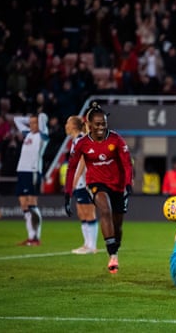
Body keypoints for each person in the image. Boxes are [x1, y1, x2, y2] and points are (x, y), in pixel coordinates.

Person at [64, 103, 133, 274]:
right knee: (105, 209)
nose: (101, 127)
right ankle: (111, 255)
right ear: (88, 124)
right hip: (95, 183)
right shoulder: (82, 144)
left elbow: (126, 163)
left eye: (103, 123)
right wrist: (67, 193)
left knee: (118, 226)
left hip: (117, 185)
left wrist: (128, 184)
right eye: (97, 124)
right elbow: (71, 168)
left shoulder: (116, 139)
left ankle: (115, 250)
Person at [64, 115, 98, 254]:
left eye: (67, 122)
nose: (66, 125)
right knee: (81, 212)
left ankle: (92, 246)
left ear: (73, 126)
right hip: (79, 182)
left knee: (88, 211)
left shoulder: (81, 140)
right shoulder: (74, 141)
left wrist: (76, 177)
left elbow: (84, 160)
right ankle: (86, 244)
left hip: (86, 181)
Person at [14, 113, 49, 246]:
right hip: (22, 171)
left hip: (33, 171)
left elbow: (42, 117)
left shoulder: (43, 135)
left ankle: (36, 237)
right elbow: (16, 119)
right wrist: (28, 119)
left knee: (32, 205)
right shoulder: (28, 134)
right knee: (23, 204)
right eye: (31, 123)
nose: (32, 125)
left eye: (35, 123)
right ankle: (30, 237)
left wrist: (39, 119)